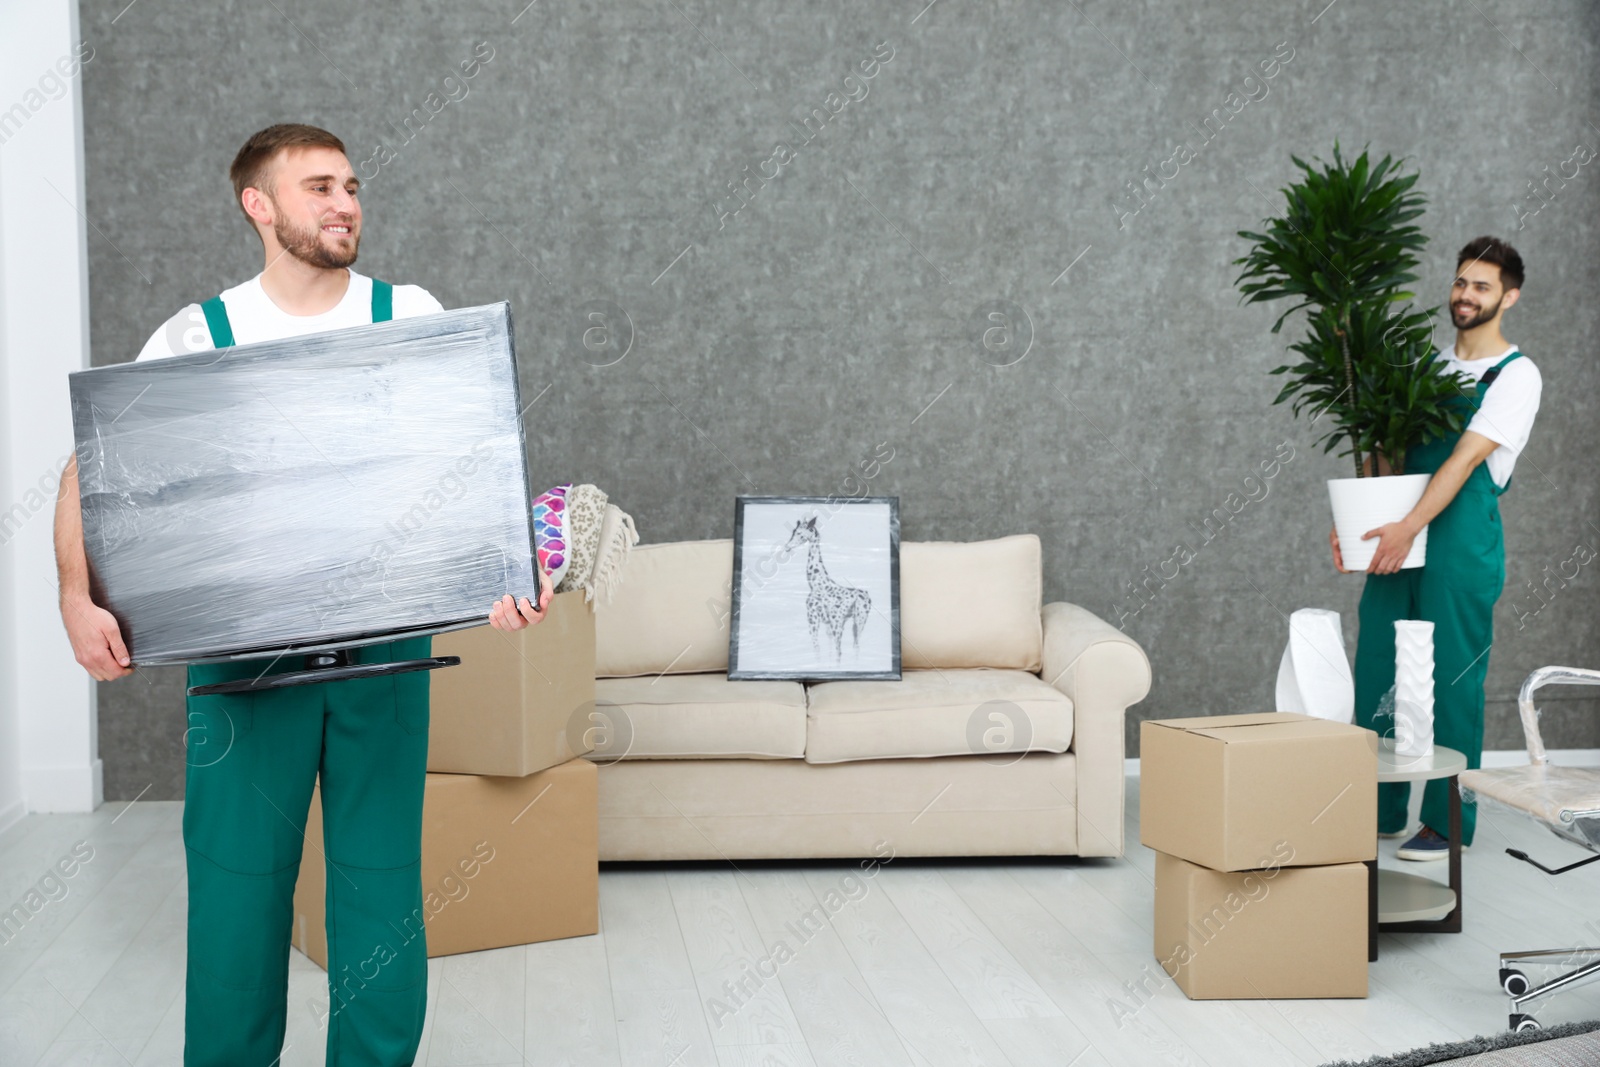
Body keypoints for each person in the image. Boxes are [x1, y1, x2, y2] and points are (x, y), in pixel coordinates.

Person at [52, 123, 551, 1066]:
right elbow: (91, 472)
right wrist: (76, 596)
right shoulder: (197, 334)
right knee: (236, 900)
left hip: (387, 660)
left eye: (353, 186)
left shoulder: (408, 312)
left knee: (379, 897)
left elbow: (472, 461)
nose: (345, 204)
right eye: (319, 187)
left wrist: (504, 574)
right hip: (243, 671)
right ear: (259, 205)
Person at [1335, 236, 1541, 862]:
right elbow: (1391, 453)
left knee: (1452, 679)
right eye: (1460, 282)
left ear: (1509, 297)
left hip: (1459, 543)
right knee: (1377, 666)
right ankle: (1374, 807)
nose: (1465, 295)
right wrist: (1356, 518)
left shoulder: (1516, 375)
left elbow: (1461, 461)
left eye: (1481, 286)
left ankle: (1448, 822)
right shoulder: (1426, 364)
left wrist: (1405, 529)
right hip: (1398, 532)